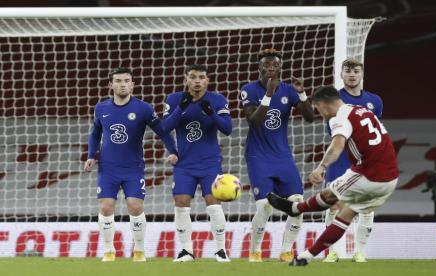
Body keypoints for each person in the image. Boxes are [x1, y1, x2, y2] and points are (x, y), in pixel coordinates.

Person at [266, 85, 398, 266]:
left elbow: (337, 146)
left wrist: (321, 167)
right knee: (346, 213)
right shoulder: (361, 110)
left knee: (330, 196)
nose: (319, 112)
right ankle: (306, 256)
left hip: (369, 174)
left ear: (323, 104)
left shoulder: (340, 117)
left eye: (317, 108)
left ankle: (295, 208)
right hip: (390, 179)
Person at [84, 67, 178, 262]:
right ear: (111, 85)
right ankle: (109, 251)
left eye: (126, 80)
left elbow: (162, 131)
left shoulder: (143, 108)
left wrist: (173, 151)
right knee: (106, 207)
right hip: (108, 167)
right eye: (118, 81)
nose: (122, 84)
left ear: (133, 84)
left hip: (133, 167)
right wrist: (91, 155)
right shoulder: (101, 108)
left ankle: (140, 251)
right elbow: (95, 133)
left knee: (135, 206)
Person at [240, 48, 314, 262]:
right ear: (259, 67)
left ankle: (286, 251)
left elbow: (309, 117)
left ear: (280, 68)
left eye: (275, 65)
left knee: (298, 203)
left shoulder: (289, 90)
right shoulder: (249, 89)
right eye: (266, 64)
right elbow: (253, 121)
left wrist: (301, 93)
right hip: (258, 156)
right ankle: (255, 250)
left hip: (282, 156)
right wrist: (269, 94)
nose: (271, 68)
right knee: (264, 206)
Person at [162, 64, 233, 263]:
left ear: (207, 80)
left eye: (201, 77)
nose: (197, 81)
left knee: (214, 204)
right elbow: (164, 127)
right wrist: (181, 108)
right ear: (186, 79)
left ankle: (220, 250)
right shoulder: (175, 99)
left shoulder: (217, 100)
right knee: (181, 204)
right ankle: (186, 251)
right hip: (184, 164)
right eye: (193, 77)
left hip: (210, 163)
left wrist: (212, 113)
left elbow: (228, 129)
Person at [323, 58, 384, 263]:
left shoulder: (375, 101)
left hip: (365, 160)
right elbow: (332, 129)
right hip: (341, 157)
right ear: (341, 74)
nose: (352, 74)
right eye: (347, 71)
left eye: (356, 71)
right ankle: (333, 252)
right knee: (334, 204)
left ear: (362, 74)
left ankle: (360, 252)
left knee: (367, 207)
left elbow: (376, 131)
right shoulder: (333, 98)